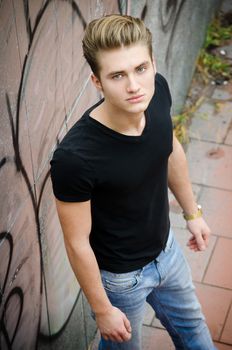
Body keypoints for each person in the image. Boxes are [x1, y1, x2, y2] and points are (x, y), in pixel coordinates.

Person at [50, 14, 216, 350]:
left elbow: (170, 150)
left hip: (167, 251)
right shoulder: (75, 157)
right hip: (122, 279)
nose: (134, 86)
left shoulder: (158, 93)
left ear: (153, 63)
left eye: (141, 69)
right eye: (117, 75)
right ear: (97, 81)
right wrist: (101, 310)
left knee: (196, 335)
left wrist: (192, 212)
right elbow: (77, 242)